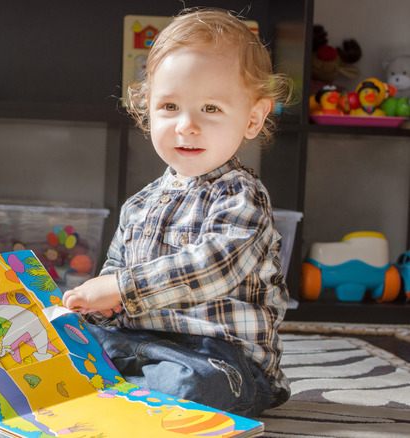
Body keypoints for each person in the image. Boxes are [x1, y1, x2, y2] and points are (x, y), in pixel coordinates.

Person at [61, 8, 295, 417]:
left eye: (210, 108)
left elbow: (215, 266)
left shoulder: (242, 195)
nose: (187, 125)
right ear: (146, 108)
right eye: (170, 106)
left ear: (253, 118)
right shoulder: (139, 203)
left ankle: (126, 396)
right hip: (139, 340)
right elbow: (114, 273)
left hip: (219, 355)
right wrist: (92, 306)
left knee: (194, 386)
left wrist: (122, 288)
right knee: (58, 350)